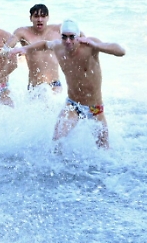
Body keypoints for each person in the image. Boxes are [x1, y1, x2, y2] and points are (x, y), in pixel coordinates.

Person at [9, 19, 125, 149]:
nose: (68, 41)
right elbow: (44, 44)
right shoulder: (58, 47)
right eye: (64, 37)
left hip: (95, 108)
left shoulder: (90, 46)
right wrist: (25, 48)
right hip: (73, 105)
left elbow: (121, 51)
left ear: (78, 36)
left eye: (71, 37)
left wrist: (96, 45)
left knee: (103, 149)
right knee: (56, 143)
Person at [5, 3, 63, 94]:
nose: (40, 19)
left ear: (48, 17)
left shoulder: (58, 29)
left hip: (55, 85)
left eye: (43, 16)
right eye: (36, 16)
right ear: (30, 18)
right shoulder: (22, 32)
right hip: (34, 87)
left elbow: (78, 35)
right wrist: (9, 52)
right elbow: (6, 47)